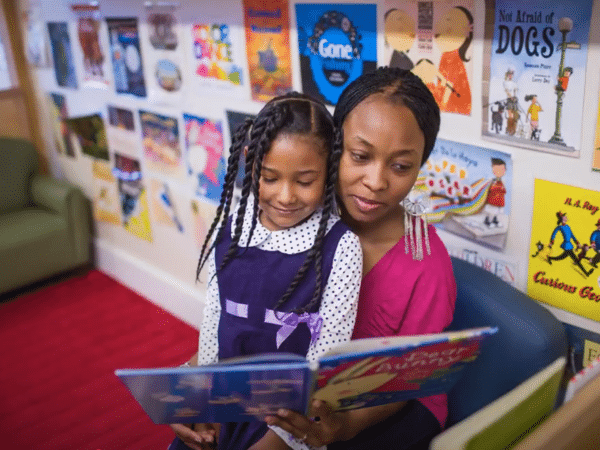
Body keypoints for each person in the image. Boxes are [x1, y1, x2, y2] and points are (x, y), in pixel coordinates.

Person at [264, 67, 457, 450]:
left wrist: (344, 426)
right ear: (334, 146)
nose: (376, 180)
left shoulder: (428, 263)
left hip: (394, 402)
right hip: (302, 386)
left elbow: (408, 377)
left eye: (401, 166)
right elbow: (242, 316)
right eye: (360, 156)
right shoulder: (296, 214)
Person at [168, 92, 363, 450]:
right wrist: (201, 401)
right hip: (224, 404)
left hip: (290, 422)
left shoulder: (342, 247)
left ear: (329, 173)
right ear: (252, 165)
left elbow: (326, 362)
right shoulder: (230, 230)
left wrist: (284, 438)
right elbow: (214, 323)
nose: (286, 196)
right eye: (270, 178)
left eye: (304, 181)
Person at [547, 211, 593, 277]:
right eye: (564, 216)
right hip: (566, 245)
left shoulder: (568, 226)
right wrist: (551, 242)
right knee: (574, 259)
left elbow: (572, 235)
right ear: (562, 218)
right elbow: (554, 234)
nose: (566, 217)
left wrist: (577, 243)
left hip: (569, 244)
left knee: (562, 257)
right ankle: (586, 273)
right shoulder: (559, 227)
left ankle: (550, 258)